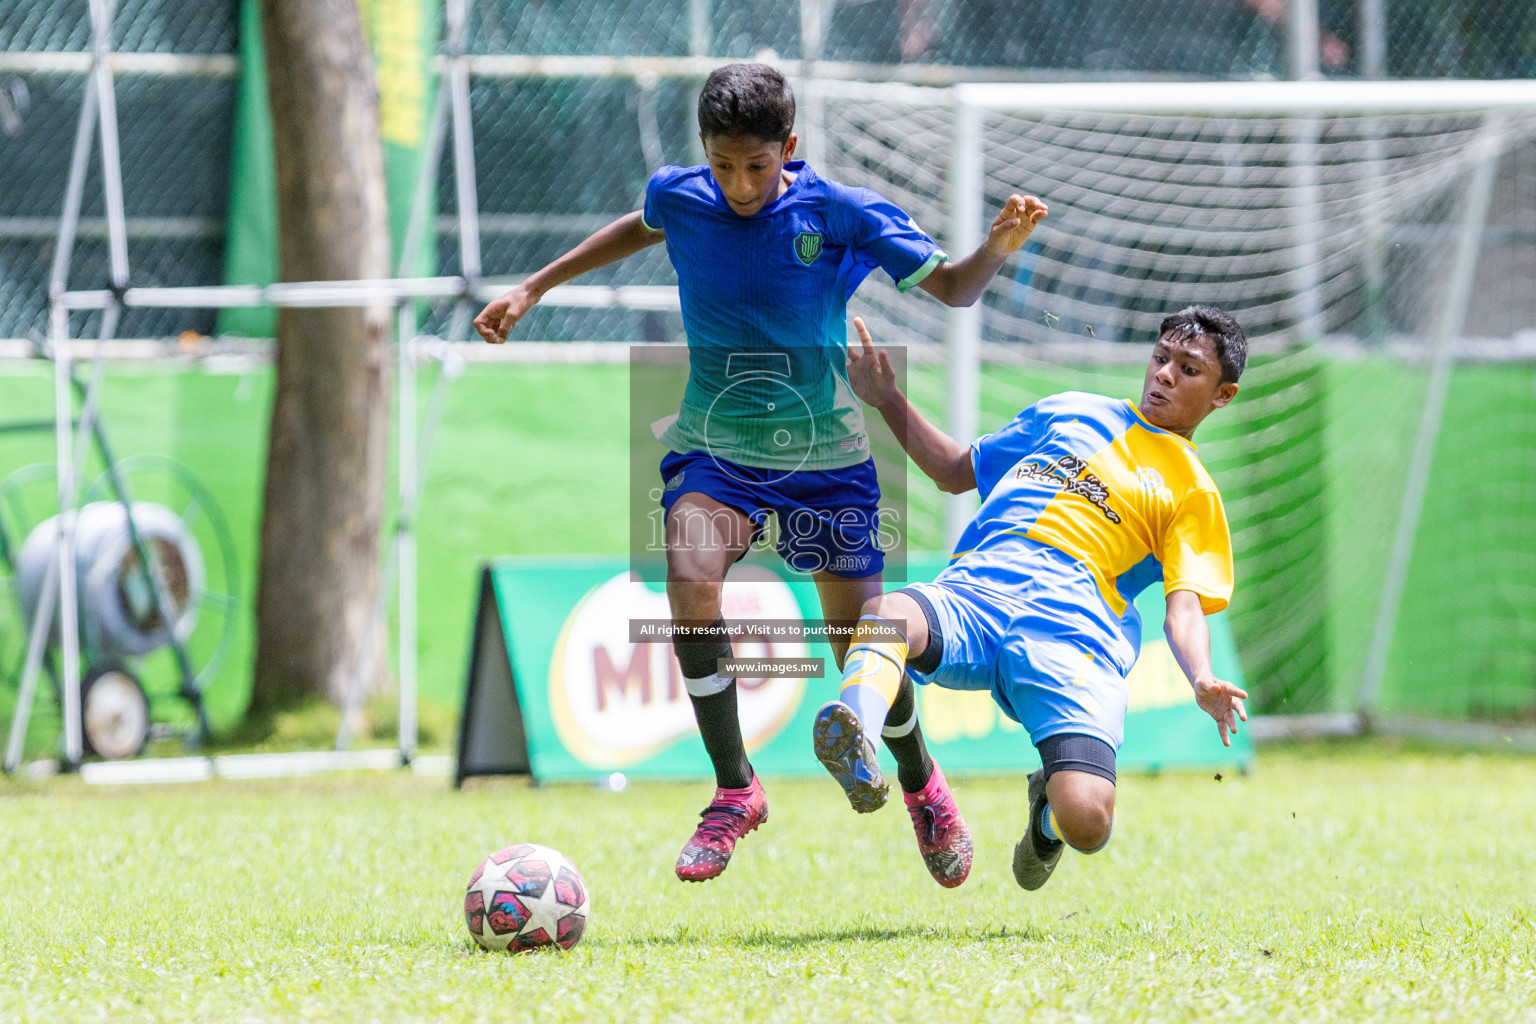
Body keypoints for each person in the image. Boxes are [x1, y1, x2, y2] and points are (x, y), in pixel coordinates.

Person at [473, 62, 1047, 883]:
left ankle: (922, 783)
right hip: (717, 447)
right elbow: (642, 224)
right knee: (688, 569)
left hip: (828, 460)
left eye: (756, 166)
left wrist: (996, 247)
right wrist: (532, 287)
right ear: (704, 154)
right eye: (722, 166)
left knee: (863, 652)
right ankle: (735, 789)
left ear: (790, 148)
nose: (739, 185)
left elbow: (953, 288)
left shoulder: (840, 211)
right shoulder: (682, 196)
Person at [816, 306, 1250, 889]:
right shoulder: (1069, 410)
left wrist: (1200, 676)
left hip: (1075, 636)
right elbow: (952, 469)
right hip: (979, 593)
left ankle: (1047, 813)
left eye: (1189, 369)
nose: (1165, 375)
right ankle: (860, 743)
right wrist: (885, 397)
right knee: (885, 615)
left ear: (1223, 395)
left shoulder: (1193, 490)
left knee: (1088, 821)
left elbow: (1185, 605)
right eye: (1160, 358)